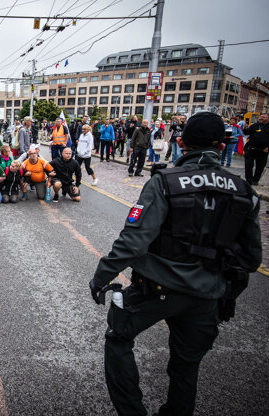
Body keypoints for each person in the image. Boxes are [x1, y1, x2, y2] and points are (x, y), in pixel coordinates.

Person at [89, 111, 261, 416]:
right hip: (207, 295)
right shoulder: (245, 191)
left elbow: (133, 240)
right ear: (223, 147)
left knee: (118, 337)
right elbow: (251, 258)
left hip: (156, 288)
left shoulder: (164, 182)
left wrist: (101, 276)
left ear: (180, 142)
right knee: (186, 366)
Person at [243, 113, 269, 185]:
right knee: (248, 165)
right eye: (261, 117)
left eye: (263, 117)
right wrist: (245, 128)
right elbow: (246, 133)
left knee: (260, 166)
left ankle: (255, 180)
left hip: (263, 150)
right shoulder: (254, 125)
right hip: (250, 148)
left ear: (268, 119)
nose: (261, 118)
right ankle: (248, 180)